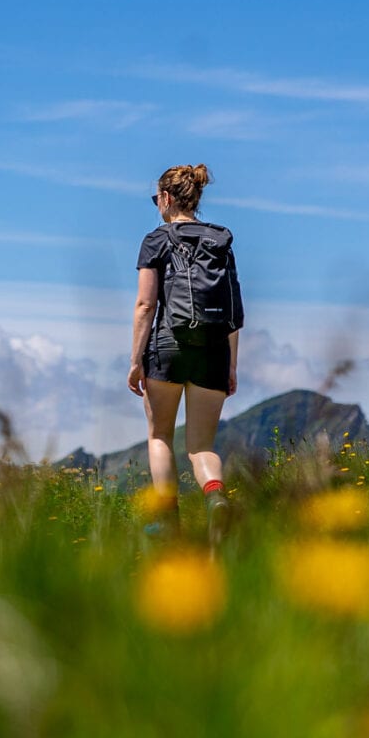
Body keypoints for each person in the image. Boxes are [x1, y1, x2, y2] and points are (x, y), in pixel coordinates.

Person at [127, 164, 244, 525]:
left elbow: (146, 305)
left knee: (160, 435)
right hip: (213, 350)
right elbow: (233, 311)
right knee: (202, 447)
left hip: (167, 346)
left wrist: (135, 361)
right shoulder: (221, 241)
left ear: (165, 198)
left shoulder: (156, 240)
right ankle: (215, 497)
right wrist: (231, 366)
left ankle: (165, 524)